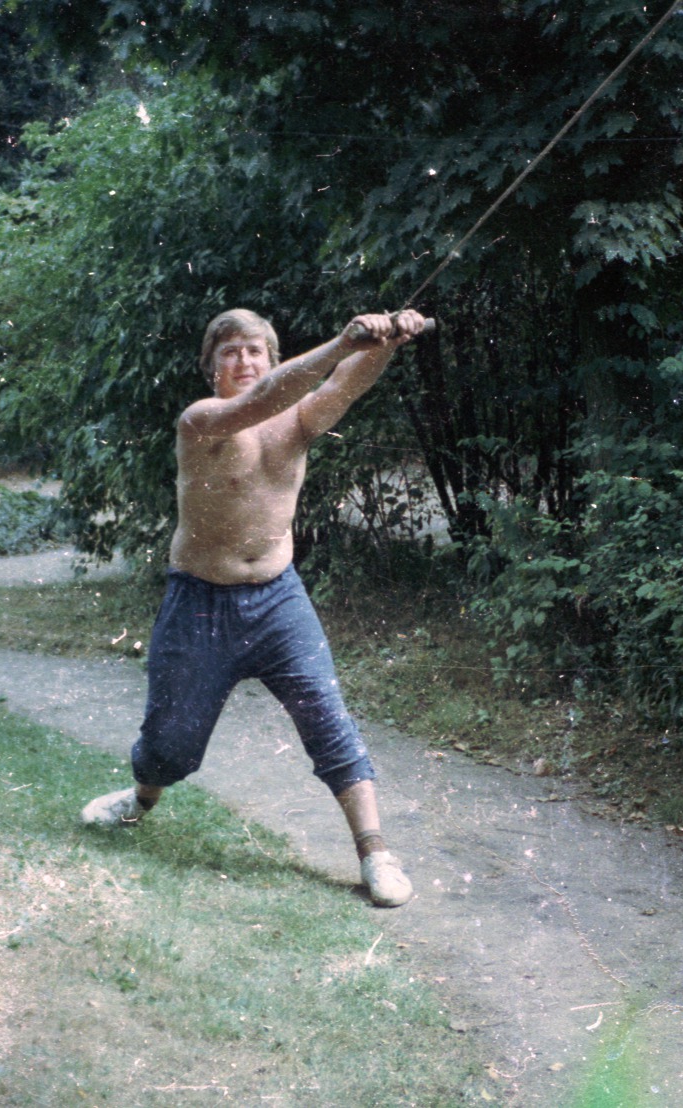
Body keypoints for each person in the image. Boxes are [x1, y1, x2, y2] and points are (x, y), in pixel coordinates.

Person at [81, 307, 428, 907]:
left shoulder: (300, 419)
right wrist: (341, 341)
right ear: (211, 365)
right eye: (231, 351)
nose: (245, 362)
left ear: (270, 356)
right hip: (198, 602)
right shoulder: (203, 421)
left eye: (255, 351)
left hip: (278, 599)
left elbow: (345, 383)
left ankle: (375, 854)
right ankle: (138, 800)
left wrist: (388, 341)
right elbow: (267, 396)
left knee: (329, 721)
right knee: (170, 745)